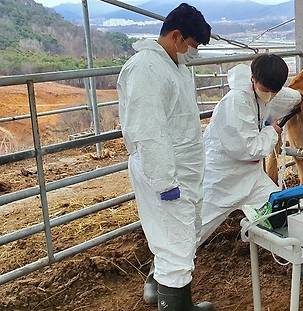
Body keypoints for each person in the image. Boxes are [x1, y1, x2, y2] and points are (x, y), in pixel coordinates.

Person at [117, 3, 214, 310]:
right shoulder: (146, 69)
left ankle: (176, 302)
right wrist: (164, 182)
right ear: (176, 36)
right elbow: (149, 130)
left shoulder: (175, 66)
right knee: (175, 244)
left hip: (182, 170)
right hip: (166, 175)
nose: (194, 52)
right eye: (193, 45)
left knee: (180, 241)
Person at [198, 54, 301, 245]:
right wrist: (273, 131)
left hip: (252, 177)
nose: (270, 95)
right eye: (266, 89)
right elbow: (250, 149)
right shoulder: (236, 101)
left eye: (274, 91)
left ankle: (295, 260)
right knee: (196, 229)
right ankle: (163, 273)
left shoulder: (264, 93)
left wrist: (301, 98)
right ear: (253, 78)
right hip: (222, 178)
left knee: (279, 211)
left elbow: (288, 97)